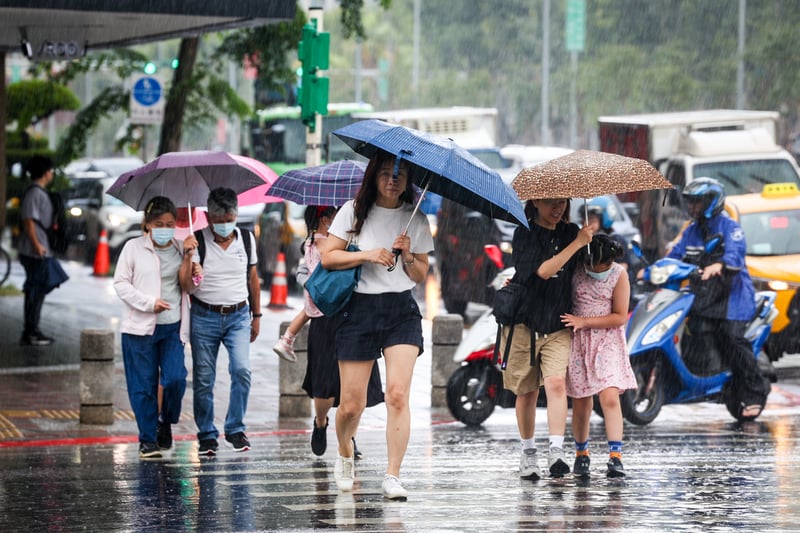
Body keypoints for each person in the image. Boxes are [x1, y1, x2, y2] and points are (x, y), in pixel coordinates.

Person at [321, 151, 433, 500]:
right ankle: (344, 450)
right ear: (373, 176)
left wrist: (408, 255)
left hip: (401, 310)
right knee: (351, 405)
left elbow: (420, 274)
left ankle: (393, 475)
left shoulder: (416, 218)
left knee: (397, 394)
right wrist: (367, 254)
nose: (392, 180)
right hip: (359, 309)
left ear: (408, 181)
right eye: (385, 173)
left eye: (399, 175)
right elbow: (328, 257)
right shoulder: (353, 211)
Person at [665, 177, 771, 419]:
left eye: (697, 202)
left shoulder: (730, 228)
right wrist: (654, 268)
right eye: (689, 202)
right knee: (691, 332)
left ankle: (755, 391)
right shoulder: (690, 231)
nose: (691, 207)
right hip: (704, 297)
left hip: (732, 298)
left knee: (732, 340)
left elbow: (735, 256)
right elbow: (675, 256)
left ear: (711, 202)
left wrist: (720, 265)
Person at [503, 198, 592, 480]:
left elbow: (586, 269)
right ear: (536, 202)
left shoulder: (572, 231)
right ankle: (529, 452)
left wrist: (589, 244)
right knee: (527, 391)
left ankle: (556, 450)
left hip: (558, 323)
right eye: (551, 202)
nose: (558, 208)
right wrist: (577, 244)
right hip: (525, 322)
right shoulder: (524, 232)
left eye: (562, 202)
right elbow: (542, 272)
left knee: (555, 384)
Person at [114, 196, 200, 459]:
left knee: (175, 379)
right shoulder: (132, 248)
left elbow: (189, 287)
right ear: (148, 224)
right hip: (139, 330)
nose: (165, 229)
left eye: (170, 224)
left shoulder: (181, 247)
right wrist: (149, 303)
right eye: (159, 224)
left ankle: (166, 421)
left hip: (172, 328)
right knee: (143, 386)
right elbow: (121, 284)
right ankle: (147, 439)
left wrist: (190, 259)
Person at [295, 205, 384, 457]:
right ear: (326, 220)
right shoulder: (317, 243)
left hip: (356, 314)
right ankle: (320, 422)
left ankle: (348, 438)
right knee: (324, 384)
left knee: (357, 388)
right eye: (335, 217)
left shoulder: (354, 238)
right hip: (325, 317)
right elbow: (314, 268)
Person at [182, 187, 261, 456]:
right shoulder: (197, 242)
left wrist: (257, 316)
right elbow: (187, 287)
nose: (225, 225)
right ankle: (206, 434)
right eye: (219, 220)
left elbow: (253, 278)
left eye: (230, 219)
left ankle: (235, 428)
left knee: (242, 370)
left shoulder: (247, 239)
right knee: (204, 379)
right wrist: (190, 263)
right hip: (204, 317)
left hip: (238, 316)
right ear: (208, 217)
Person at [561, 233, 637, 478]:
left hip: (607, 341)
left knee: (610, 397)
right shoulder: (576, 270)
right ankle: (581, 453)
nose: (599, 270)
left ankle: (615, 456)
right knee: (581, 401)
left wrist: (585, 321)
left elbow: (619, 316)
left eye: (605, 265)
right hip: (579, 342)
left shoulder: (619, 275)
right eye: (595, 265)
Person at [17, 155, 58, 346]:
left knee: (38, 290)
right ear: (45, 173)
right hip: (34, 251)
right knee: (35, 290)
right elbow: (29, 221)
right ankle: (31, 331)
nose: (52, 173)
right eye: (50, 170)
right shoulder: (34, 193)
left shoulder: (38, 192)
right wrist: (37, 245)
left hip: (38, 249)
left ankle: (32, 329)